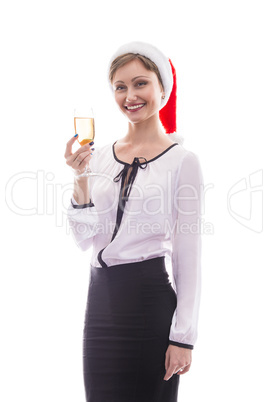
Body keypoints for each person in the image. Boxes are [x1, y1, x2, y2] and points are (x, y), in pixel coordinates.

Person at [64, 41, 203, 402]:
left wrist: (182, 337)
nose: (130, 95)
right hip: (101, 304)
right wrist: (80, 177)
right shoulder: (99, 157)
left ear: (162, 87)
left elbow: (188, 254)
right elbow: (84, 239)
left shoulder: (182, 161)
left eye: (140, 83)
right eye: (120, 87)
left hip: (149, 303)